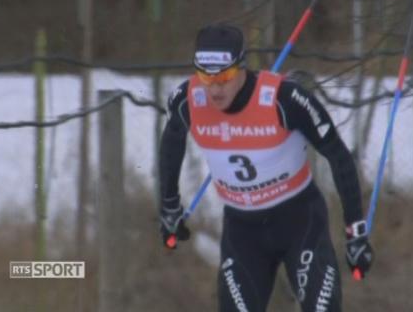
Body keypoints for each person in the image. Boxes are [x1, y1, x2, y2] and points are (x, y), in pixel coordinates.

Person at [159, 23, 373, 312]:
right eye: (205, 77)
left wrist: (355, 230)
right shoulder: (188, 99)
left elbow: (338, 154)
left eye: (224, 76)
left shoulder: (284, 99)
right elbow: (171, 142)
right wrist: (169, 205)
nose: (215, 87)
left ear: (242, 67)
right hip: (243, 232)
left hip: (299, 222)